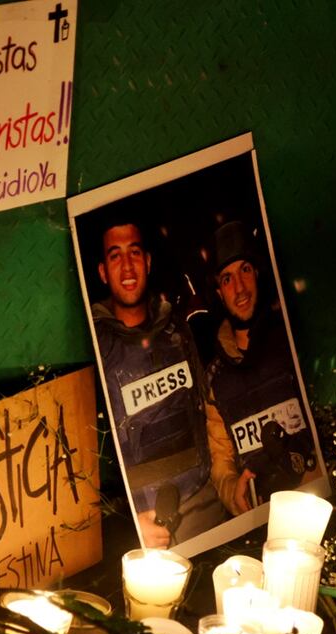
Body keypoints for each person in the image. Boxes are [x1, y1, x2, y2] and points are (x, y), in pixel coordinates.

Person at [90, 217, 231, 547]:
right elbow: (88, 462)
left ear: (148, 262)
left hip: (204, 505)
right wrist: (126, 524)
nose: (127, 266)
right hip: (142, 527)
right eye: (115, 255)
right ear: (102, 272)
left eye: (134, 253)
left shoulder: (178, 331)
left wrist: (226, 481)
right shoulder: (96, 350)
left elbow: (209, 413)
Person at [206, 220, 319, 511]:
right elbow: (221, 464)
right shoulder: (215, 380)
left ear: (257, 273)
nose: (240, 288)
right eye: (227, 279)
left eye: (244, 270)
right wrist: (234, 492)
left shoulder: (294, 343)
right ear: (219, 292)